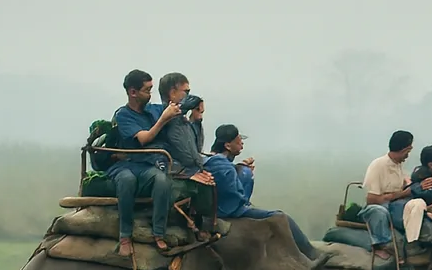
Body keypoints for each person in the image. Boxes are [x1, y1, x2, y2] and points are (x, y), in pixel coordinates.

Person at [203, 123, 318, 260]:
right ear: (228, 146)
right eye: (238, 141)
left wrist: (239, 168)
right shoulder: (222, 165)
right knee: (281, 217)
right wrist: (245, 174)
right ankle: (310, 254)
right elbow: (236, 196)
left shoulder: (214, 160)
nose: (242, 145)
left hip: (223, 206)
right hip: (229, 210)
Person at [106, 69, 178, 257]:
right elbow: (144, 139)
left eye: (151, 89)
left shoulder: (153, 110)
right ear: (133, 92)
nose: (150, 94)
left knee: (162, 180)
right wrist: (163, 119)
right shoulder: (123, 115)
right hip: (126, 164)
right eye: (147, 90)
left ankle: (158, 233)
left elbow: (174, 109)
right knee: (127, 180)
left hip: (147, 165)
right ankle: (125, 236)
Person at [159, 93, 218, 240]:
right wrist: (188, 173)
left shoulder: (188, 125)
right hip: (173, 170)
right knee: (203, 183)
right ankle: (200, 227)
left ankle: (205, 224)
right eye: (198, 110)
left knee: (210, 178)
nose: (200, 115)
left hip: (188, 168)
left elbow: (195, 150)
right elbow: (179, 154)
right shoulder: (170, 123)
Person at [358, 131, 423, 261]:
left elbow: (404, 183)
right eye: (407, 152)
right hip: (379, 207)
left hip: (395, 205)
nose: (407, 156)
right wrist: (401, 194)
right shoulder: (379, 165)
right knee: (379, 211)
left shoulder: (398, 165)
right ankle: (381, 245)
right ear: (405, 149)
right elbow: (372, 199)